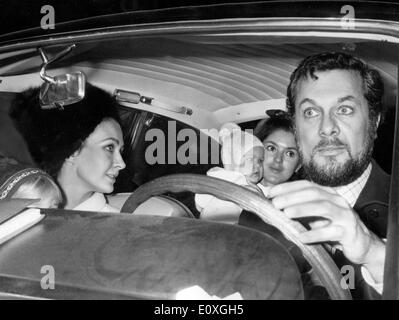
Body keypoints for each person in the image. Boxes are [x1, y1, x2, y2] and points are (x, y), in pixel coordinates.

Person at [240, 51, 389, 299]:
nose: (327, 127)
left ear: (373, 124)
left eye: (344, 109)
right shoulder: (260, 216)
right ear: (296, 129)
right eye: (310, 112)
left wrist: (374, 253)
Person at [10, 83, 126, 212]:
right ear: (73, 150)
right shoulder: (18, 212)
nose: (121, 164)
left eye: (121, 151)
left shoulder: (119, 228)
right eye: (109, 148)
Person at [195, 122, 265, 223]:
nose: (257, 165)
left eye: (260, 160)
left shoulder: (256, 188)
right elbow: (200, 201)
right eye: (250, 159)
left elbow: (199, 204)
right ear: (233, 159)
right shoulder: (219, 179)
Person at [254, 109, 301, 197]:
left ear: (298, 165)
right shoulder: (233, 184)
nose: (278, 159)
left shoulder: (302, 204)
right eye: (271, 148)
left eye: (290, 153)